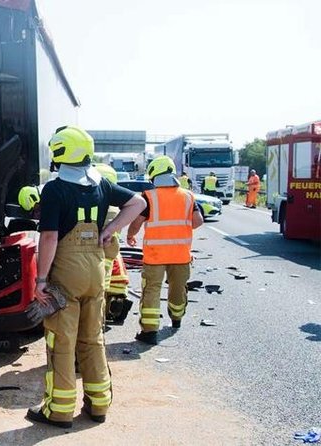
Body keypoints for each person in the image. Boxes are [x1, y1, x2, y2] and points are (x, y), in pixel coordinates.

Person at [28, 126, 146, 428]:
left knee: (61, 341)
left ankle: (59, 411)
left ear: (59, 152)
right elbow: (139, 203)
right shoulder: (102, 184)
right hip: (95, 273)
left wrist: (41, 280)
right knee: (93, 339)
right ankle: (98, 405)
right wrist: (110, 229)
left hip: (66, 277)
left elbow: (50, 237)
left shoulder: (55, 189)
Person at [125, 156, 204, 345]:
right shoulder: (188, 196)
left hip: (155, 255)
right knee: (178, 287)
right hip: (180, 254)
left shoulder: (149, 197)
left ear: (153, 175)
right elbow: (198, 221)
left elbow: (137, 221)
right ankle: (176, 319)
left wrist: (130, 235)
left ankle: (150, 332)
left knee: (151, 289)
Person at [93, 163, 132, 325]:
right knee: (102, 288)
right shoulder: (117, 208)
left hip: (91, 253)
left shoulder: (92, 202)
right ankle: (100, 321)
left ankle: (96, 321)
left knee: (95, 292)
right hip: (110, 254)